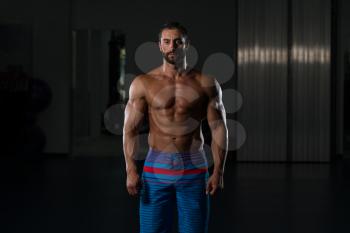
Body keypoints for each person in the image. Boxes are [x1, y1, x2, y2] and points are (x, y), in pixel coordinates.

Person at [123, 21, 228, 233]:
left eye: (178, 42)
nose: (172, 47)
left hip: (193, 169)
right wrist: (130, 169)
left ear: (187, 45)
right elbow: (130, 130)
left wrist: (219, 171)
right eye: (167, 42)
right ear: (160, 45)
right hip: (155, 170)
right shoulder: (144, 83)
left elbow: (218, 128)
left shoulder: (205, 82)